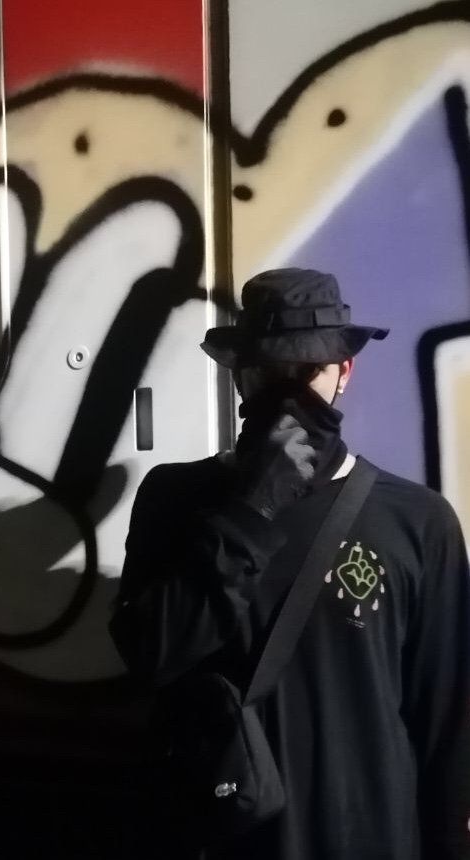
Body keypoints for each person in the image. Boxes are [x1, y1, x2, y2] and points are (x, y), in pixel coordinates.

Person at [110, 269, 470, 859]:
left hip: (368, 838)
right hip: (226, 836)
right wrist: (250, 511)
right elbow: (152, 655)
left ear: (344, 372)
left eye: (307, 371)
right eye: (269, 372)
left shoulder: (417, 520)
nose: (288, 392)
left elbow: (446, 723)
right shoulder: (176, 499)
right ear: (240, 376)